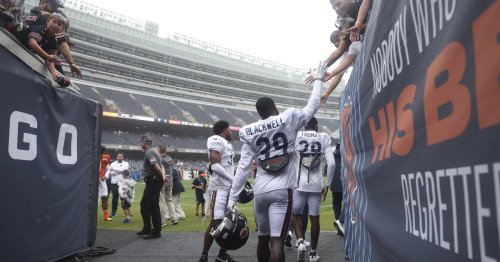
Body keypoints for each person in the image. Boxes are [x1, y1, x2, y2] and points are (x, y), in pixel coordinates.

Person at [227, 61, 327, 262]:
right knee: (277, 241)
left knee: (263, 239)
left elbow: (243, 168)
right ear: (273, 107)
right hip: (282, 190)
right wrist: (318, 80)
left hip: (261, 190)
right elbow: (312, 107)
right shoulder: (287, 118)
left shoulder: (249, 131)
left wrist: (232, 197)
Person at [292, 117, 335, 262]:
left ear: (305, 126)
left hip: (299, 183)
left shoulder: (297, 135)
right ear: (316, 126)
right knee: (314, 218)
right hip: (316, 185)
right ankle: (313, 254)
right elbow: (332, 164)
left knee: (295, 214)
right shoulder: (324, 137)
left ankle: (299, 242)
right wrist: (327, 184)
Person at [198, 120, 237, 262]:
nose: (231, 132)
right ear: (223, 130)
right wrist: (232, 180)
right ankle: (204, 255)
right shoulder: (216, 139)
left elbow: (227, 166)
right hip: (220, 188)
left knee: (231, 223)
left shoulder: (227, 144)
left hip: (228, 188)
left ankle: (222, 254)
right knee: (216, 222)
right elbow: (214, 165)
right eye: (229, 129)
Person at [22, 0, 83, 78]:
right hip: (34, 50)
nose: (55, 8)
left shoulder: (34, 12)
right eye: (53, 5)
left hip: (32, 48)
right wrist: (71, 63)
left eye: (56, 6)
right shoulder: (48, 18)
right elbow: (61, 42)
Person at [15, 13, 71, 87]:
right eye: (54, 22)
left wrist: (55, 75)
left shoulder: (54, 40)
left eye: (59, 24)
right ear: (48, 22)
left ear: (62, 30)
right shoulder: (40, 29)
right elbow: (32, 43)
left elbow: (50, 59)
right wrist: (47, 56)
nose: (56, 25)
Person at [137, 134, 165, 240]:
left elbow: (156, 167)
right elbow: (160, 166)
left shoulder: (149, 152)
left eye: (141, 142)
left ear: (144, 142)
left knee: (153, 206)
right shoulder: (154, 151)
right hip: (153, 181)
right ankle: (147, 228)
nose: (140, 144)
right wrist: (162, 177)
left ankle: (156, 231)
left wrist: (161, 177)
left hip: (153, 181)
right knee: (144, 204)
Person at [158, 144, 178, 226]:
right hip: (170, 181)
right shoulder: (170, 158)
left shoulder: (159, 159)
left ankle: (162, 221)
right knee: (170, 201)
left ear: (159, 150)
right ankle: (174, 219)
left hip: (162, 181)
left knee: (162, 202)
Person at [108, 152, 129, 218]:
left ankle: (127, 212)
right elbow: (111, 172)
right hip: (114, 183)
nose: (120, 157)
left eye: (121, 156)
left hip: (123, 183)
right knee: (115, 198)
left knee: (124, 198)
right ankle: (113, 212)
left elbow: (123, 170)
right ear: (117, 157)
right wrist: (117, 172)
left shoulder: (126, 163)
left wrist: (115, 170)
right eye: (119, 156)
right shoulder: (113, 163)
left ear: (123, 157)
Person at [330, 141, 345, 237]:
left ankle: (340, 225)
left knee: (336, 203)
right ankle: (340, 221)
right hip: (344, 181)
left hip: (334, 182)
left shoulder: (332, 154)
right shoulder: (346, 152)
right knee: (350, 203)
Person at [99, 145, 112, 221]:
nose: (101, 152)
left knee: (104, 197)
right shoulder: (91, 157)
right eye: (100, 150)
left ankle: (105, 216)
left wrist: (105, 176)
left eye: (102, 151)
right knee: (94, 198)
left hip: (102, 180)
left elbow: (108, 169)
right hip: (93, 180)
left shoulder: (106, 157)